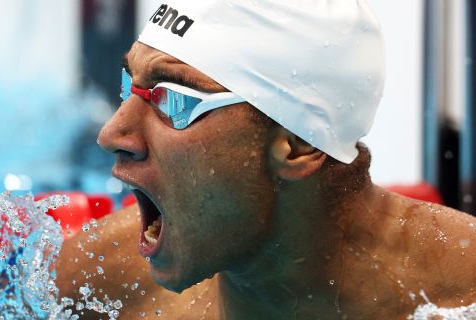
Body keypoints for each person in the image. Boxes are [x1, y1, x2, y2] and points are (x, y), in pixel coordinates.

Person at [57, 1, 476, 319]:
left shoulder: (462, 296)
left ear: (297, 145)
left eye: (175, 100)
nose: (112, 134)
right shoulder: (98, 282)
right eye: (130, 83)